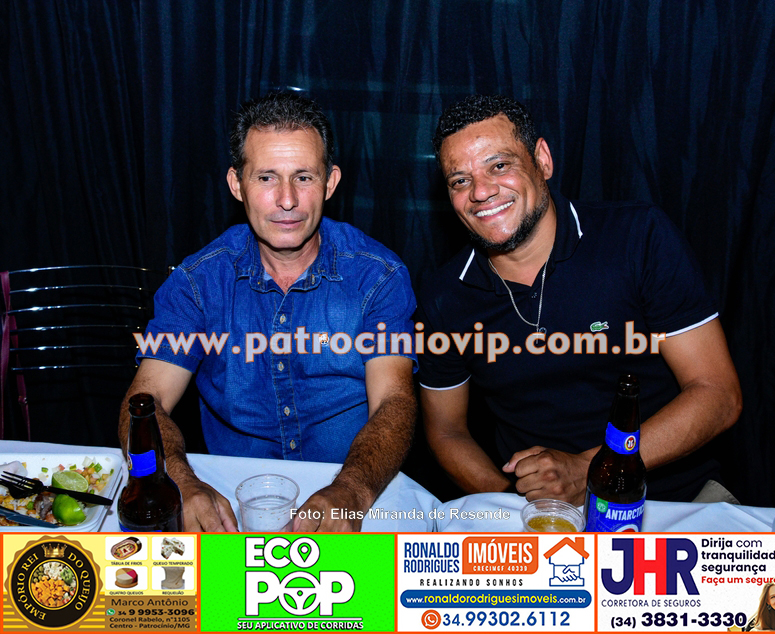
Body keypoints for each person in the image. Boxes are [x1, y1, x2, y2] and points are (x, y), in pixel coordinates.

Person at [417, 95, 742, 504]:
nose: (480, 191)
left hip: (673, 500)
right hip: (538, 515)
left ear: (542, 160)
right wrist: (515, 503)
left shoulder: (637, 239)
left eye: (499, 166)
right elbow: (446, 431)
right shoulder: (445, 296)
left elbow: (717, 393)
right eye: (460, 181)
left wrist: (589, 468)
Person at [120, 92, 417, 532]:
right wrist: (180, 481)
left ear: (330, 183)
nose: (287, 200)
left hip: (358, 486)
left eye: (304, 177)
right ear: (236, 184)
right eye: (265, 178)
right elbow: (144, 403)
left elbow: (394, 401)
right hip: (231, 497)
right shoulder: (198, 283)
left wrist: (352, 490)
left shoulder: (378, 276)